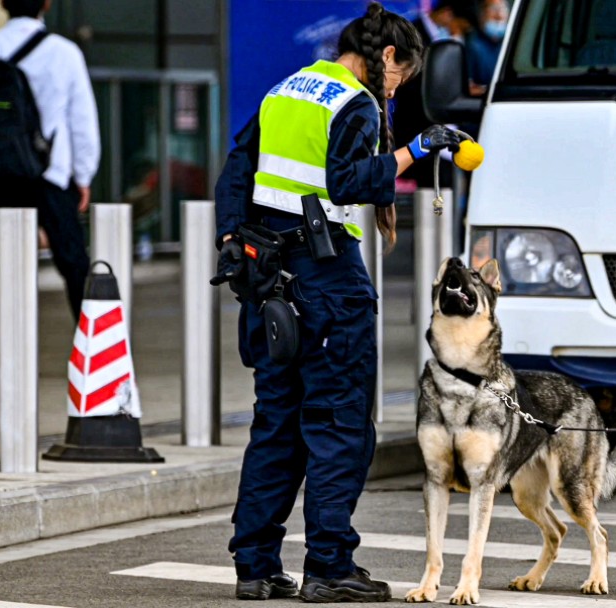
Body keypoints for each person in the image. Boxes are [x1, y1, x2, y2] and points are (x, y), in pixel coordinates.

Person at [212, 2, 461, 603]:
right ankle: (328, 565)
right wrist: (419, 149)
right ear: (389, 57)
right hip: (326, 278)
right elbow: (348, 181)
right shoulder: (353, 99)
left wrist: (231, 239)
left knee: (276, 423)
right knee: (339, 423)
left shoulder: (286, 91)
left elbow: (235, 174)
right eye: (402, 77)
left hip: (268, 275)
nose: (398, 90)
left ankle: (257, 567)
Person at [0, 0, 100, 322]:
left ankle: (13, 343)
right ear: (46, 4)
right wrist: (84, 175)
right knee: (74, 264)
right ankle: (91, 348)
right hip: (52, 174)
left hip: (0, 175)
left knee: (10, 266)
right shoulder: (64, 53)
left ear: (3, 4)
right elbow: (82, 121)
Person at [391, 0, 479, 188]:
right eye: (459, 27)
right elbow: (405, 82)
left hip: (444, 128)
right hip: (416, 125)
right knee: (430, 189)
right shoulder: (407, 35)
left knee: (447, 183)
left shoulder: (445, 38)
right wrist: (442, 89)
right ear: (447, 13)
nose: (458, 32)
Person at [467, 0, 509, 91]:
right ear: (481, 15)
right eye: (494, 9)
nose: (499, 15)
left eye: (503, 9)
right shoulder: (472, 47)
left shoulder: (512, 44)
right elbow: (469, 87)